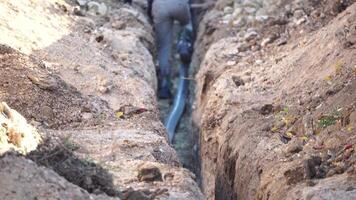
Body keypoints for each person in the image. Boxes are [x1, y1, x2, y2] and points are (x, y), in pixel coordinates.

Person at [150, 0, 192, 99]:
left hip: (160, 6)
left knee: (164, 46)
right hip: (179, 4)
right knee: (188, 24)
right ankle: (184, 44)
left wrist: (150, 15)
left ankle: (164, 86)